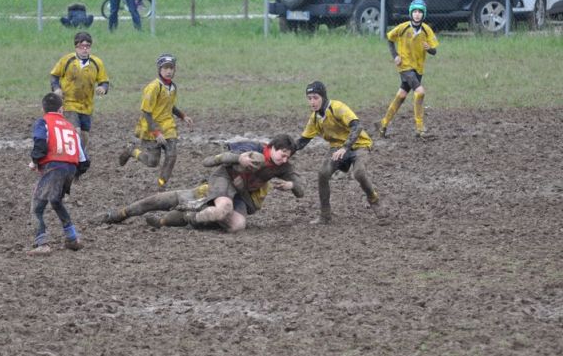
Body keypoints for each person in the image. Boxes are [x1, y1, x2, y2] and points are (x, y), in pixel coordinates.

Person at [103, 134, 304, 233]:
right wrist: (237, 159)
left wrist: (292, 186)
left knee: (237, 225)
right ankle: (121, 213)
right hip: (222, 181)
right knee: (216, 206)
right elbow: (208, 161)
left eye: (288, 156)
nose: (284, 159)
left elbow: (301, 190)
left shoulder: (282, 167)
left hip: (240, 194)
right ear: (271, 147)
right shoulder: (252, 149)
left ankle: (180, 218)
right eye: (282, 154)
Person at [296, 81, 388, 225]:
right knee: (323, 173)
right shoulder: (314, 118)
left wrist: (345, 147)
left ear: (323, 97)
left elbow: (357, 126)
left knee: (359, 173)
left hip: (359, 145)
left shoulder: (337, 107)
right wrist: (281, 150)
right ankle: (325, 215)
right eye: (309, 98)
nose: (312, 102)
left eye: (315, 97)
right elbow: (301, 142)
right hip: (337, 149)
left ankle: (375, 201)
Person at [27, 93, 90, 256]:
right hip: (70, 169)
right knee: (55, 201)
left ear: (43, 109)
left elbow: (40, 143)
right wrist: (75, 173)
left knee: (36, 207)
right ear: (61, 109)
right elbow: (84, 159)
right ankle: (72, 237)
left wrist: (35, 161)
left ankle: (42, 243)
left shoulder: (43, 122)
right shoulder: (71, 127)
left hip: (54, 168)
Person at [119, 53, 193, 190]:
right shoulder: (153, 87)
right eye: (165, 68)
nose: (169, 71)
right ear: (159, 70)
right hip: (151, 127)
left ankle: (161, 184)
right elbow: (146, 112)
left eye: (171, 68)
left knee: (172, 155)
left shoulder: (173, 87)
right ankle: (131, 151)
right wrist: (157, 133)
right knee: (152, 162)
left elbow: (170, 106)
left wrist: (183, 116)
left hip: (168, 126)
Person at [375, 0, 439, 139]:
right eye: (414, 12)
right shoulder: (403, 27)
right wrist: (395, 56)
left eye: (420, 12)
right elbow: (390, 39)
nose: (417, 15)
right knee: (420, 92)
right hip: (405, 66)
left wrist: (430, 49)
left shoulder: (426, 30)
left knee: (402, 95)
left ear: (424, 14)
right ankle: (420, 128)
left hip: (418, 68)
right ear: (411, 13)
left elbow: (434, 51)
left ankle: (383, 124)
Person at [50, 31, 109, 153]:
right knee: (74, 131)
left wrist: (103, 88)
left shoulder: (96, 63)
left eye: (87, 46)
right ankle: (72, 155)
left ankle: (80, 156)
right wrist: (56, 89)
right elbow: (54, 75)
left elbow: (104, 81)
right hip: (69, 103)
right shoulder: (67, 60)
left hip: (87, 106)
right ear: (76, 47)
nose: (85, 49)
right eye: (82, 46)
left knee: (84, 136)